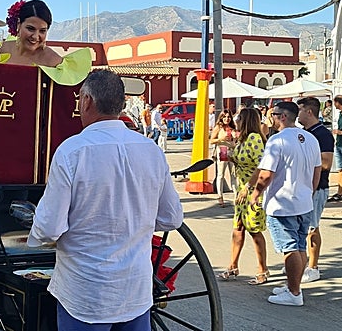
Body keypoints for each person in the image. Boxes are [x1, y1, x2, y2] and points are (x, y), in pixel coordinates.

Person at [28, 70, 183, 329]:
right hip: (135, 291)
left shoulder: (72, 151)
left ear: (86, 100)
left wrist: (35, 235)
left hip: (86, 294)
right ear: (121, 104)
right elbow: (171, 217)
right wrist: (133, 221)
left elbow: (49, 228)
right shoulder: (150, 150)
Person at [249, 101, 321, 306]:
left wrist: (256, 193)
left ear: (282, 116)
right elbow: (317, 171)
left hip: (283, 203)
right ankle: (293, 284)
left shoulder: (277, 140)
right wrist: (309, 191)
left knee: (290, 248)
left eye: (273, 114)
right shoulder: (310, 138)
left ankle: (294, 292)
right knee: (299, 246)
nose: (270, 118)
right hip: (303, 200)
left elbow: (266, 174)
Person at [0, 0, 91, 85]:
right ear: (18, 25)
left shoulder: (53, 60)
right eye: (30, 29)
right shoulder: (0, 50)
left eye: (42, 31)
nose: (36, 36)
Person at [218, 108, 268, 284]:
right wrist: (230, 155)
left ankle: (263, 269)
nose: (236, 120)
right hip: (241, 190)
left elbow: (261, 166)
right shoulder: (242, 138)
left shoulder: (255, 138)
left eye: (239, 117)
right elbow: (242, 158)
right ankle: (233, 265)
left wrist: (249, 187)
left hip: (253, 190)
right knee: (238, 228)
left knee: (254, 230)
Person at [297, 97, 334, 283]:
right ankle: (302, 262)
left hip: (318, 187)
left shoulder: (323, 134)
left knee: (312, 226)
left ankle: (313, 267)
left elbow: (326, 163)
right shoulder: (304, 132)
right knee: (302, 227)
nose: (298, 114)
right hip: (303, 186)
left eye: (300, 110)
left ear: (309, 112)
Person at [210, 110, 237, 207]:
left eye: (228, 117)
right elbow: (211, 140)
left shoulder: (233, 127)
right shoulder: (219, 127)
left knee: (233, 174)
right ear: (221, 117)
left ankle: (236, 196)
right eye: (224, 117)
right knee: (221, 174)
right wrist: (220, 139)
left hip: (232, 150)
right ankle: (220, 196)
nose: (227, 119)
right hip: (223, 150)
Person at [329, 95, 342, 202]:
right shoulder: (340, 114)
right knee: (340, 169)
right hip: (339, 144)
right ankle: (340, 191)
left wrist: (338, 132)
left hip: (340, 144)